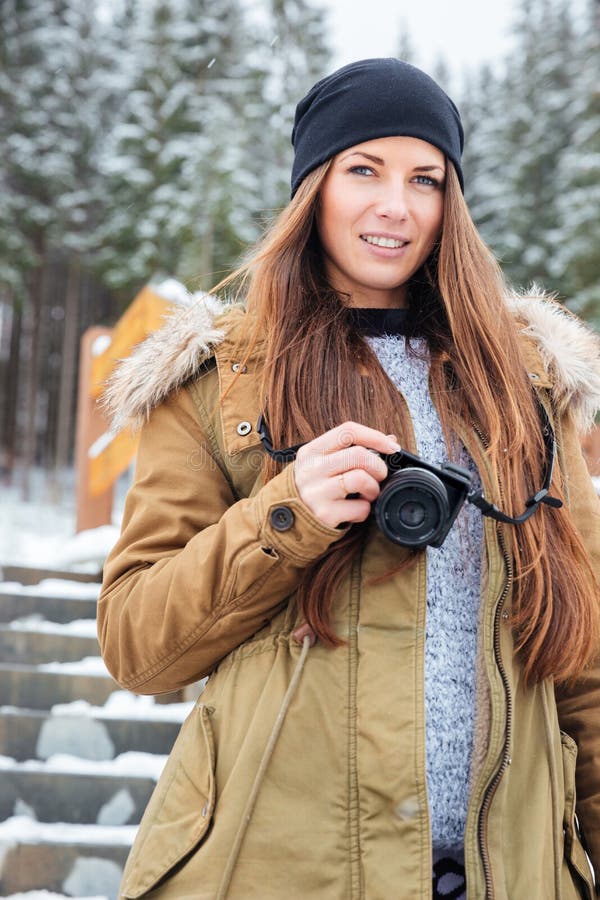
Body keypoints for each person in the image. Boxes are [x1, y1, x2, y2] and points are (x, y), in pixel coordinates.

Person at [98, 58, 600, 900]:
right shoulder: (218, 382)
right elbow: (139, 646)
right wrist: (285, 517)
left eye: (425, 179)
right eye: (363, 170)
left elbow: (585, 658)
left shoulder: (526, 387)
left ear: (452, 204)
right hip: (276, 870)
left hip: (506, 873)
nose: (395, 205)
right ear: (313, 189)